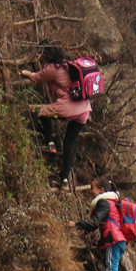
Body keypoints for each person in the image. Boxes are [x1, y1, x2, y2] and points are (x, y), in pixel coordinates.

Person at [20, 44, 93, 190]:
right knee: (68, 144)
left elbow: (37, 77)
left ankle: (50, 143)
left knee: (42, 113)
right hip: (84, 110)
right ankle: (65, 180)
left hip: (67, 108)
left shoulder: (53, 68)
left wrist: (27, 73)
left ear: (46, 55)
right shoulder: (69, 64)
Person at [79, 190, 130, 271]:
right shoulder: (114, 203)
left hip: (114, 240)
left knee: (111, 268)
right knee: (113, 268)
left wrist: (77, 224)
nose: (91, 191)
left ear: (102, 190)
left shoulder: (104, 202)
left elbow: (94, 222)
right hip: (120, 239)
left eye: (93, 188)